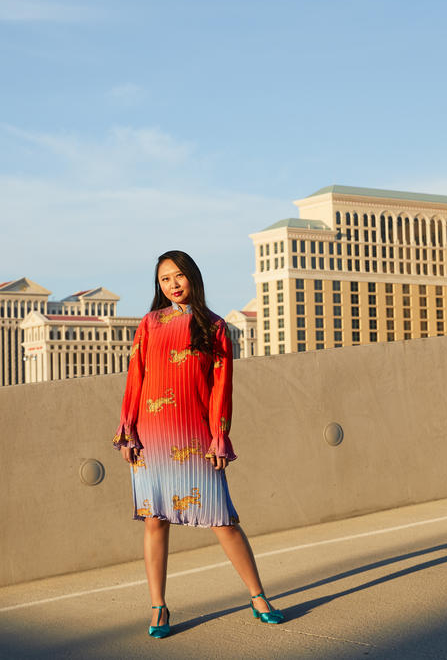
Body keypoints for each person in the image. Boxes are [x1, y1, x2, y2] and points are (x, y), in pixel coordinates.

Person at [114, 250, 283, 639]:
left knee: (223, 521)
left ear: (192, 277)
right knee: (155, 521)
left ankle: (258, 597)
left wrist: (218, 438)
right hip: (152, 435)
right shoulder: (149, 324)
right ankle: (158, 606)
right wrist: (127, 430)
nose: (172, 285)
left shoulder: (215, 326)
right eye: (164, 280)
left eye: (178, 276)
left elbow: (222, 387)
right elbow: (135, 379)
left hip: (195, 437)